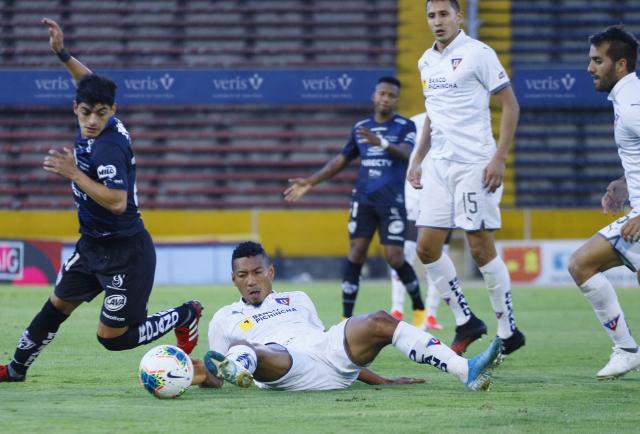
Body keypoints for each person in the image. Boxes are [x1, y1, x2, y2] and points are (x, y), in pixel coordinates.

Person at [0, 18, 203, 382]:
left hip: (127, 253)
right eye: (86, 111)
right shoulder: (98, 108)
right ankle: (15, 370)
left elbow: (117, 203)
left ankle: (185, 313)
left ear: (112, 110)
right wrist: (62, 53)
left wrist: (74, 173)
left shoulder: (107, 148)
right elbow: (89, 82)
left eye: (101, 113)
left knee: (111, 338)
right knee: (57, 304)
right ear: (76, 107)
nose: (92, 120)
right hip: (92, 245)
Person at [201, 241, 502, 392]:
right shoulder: (225, 318)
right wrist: (190, 374)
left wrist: (381, 381)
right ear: (234, 280)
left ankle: (465, 370)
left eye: (257, 272)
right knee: (247, 348)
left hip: (326, 352)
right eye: (243, 275)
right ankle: (242, 364)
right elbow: (215, 376)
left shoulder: (298, 299)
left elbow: (322, 352)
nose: (251, 280)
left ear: (271, 272)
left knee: (380, 320)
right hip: (286, 368)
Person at [407, 0, 525, 356]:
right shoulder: (426, 61)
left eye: (444, 14)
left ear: (459, 16)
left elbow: (511, 105)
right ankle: (466, 321)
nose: (438, 21)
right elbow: (433, 113)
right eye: (432, 15)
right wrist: (418, 158)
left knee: (479, 246)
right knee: (426, 248)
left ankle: (508, 331)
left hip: (475, 163)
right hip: (438, 167)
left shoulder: (479, 53)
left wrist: (499, 158)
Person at [284, 77, 427, 326]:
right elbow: (341, 160)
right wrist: (311, 182)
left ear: (396, 100)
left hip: (391, 202)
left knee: (394, 257)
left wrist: (380, 142)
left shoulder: (405, 126)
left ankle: (418, 307)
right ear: (374, 96)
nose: (385, 98)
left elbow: (406, 154)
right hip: (363, 201)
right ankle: (345, 316)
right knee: (356, 253)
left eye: (391, 95)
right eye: (382, 93)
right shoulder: (361, 127)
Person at [568, 25, 640, 379]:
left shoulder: (631, 105)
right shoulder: (627, 99)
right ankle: (626, 349)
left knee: (581, 264)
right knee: (581, 264)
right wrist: (625, 183)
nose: (590, 68)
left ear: (621, 64)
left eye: (598, 60)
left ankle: (626, 349)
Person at [389, 112, 445, 331]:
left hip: (441, 195)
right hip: (413, 194)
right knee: (406, 255)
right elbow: (399, 155)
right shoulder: (413, 122)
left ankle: (431, 314)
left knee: (439, 258)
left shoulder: (452, 116)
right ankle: (397, 309)